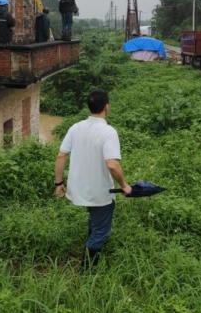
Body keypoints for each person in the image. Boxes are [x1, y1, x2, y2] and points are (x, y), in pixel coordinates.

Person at [54, 89, 132, 268]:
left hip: (79, 189)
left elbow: (61, 156)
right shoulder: (108, 131)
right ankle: (86, 270)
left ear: (89, 107)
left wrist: (59, 183)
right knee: (101, 232)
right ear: (107, 107)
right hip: (100, 193)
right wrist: (124, 185)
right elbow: (112, 164)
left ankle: (91, 240)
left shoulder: (75, 127)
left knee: (95, 218)